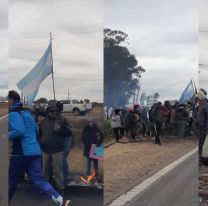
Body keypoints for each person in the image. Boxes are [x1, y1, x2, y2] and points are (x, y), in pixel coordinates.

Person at [8, 90, 70, 206]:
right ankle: (60, 199)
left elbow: (19, 131)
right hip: (36, 152)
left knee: (10, 181)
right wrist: (39, 143)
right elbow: (37, 130)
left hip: (21, 152)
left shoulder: (13, 114)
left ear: (11, 100)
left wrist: (6, 135)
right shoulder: (28, 114)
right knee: (39, 179)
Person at [39, 100, 71, 189]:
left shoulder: (62, 119)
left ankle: (60, 187)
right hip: (45, 150)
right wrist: (41, 141)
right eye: (50, 111)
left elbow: (69, 133)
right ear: (47, 111)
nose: (51, 112)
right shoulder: (43, 121)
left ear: (57, 111)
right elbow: (40, 133)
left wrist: (60, 129)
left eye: (53, 110)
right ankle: (45, 187)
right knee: (45, 170)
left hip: (58, 150)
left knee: (57, 170)